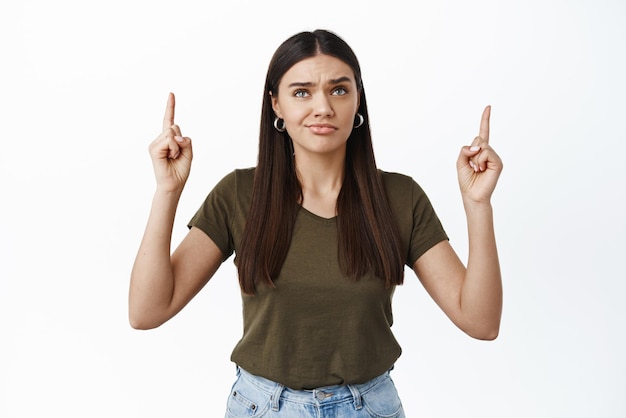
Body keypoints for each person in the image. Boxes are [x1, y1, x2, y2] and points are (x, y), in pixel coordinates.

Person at [129, 29, 503, 418]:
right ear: (276, 104)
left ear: (358, 100)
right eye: (302, 92)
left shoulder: (399, 197)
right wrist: (167, 191)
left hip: (368, 407)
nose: (323, 107)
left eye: (339, 90)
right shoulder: (239, 194)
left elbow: (480, 322)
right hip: (263, 407)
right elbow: (147, 311)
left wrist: (478, 204)